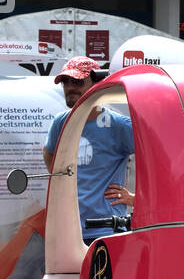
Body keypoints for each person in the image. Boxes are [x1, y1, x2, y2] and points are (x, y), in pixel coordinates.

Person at [43, 57, 134, 242]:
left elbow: (159, 159)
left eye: (77, 81)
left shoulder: (119, 125)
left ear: (96, 85)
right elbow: (48, 152)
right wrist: (61, 182)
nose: (70, 87)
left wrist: (136, 198)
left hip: (106, 230)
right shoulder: (61, 122)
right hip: (68, 230)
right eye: (66, 82)